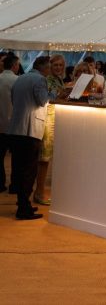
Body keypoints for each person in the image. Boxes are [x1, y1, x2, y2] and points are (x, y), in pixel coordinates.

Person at [8, 56, 51, 220]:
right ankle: (23, 209)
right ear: (43, 68)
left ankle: (23, 203)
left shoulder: (20, 78)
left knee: (19, 170)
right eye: (48, 68)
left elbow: (14, 100)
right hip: (30, 130)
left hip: (16, 129)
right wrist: (54, 93)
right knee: (28, 171)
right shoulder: (40, 79)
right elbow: (42, 100)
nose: (49, 71)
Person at [34, 54, 66, 206]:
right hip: (49, 119)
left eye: (61, 65)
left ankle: (41, 192)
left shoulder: (59, 79)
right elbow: (49, 99)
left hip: (55, 119)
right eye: (55, 65)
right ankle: (39, 192)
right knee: (44, 159)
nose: (58, 68)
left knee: (47, 158)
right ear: (50, 66)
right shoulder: (48, 79)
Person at [0, 53, 20, 193]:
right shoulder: (18, 81)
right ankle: (15, 186)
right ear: (14, 65)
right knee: (17, 159)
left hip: (0, 124)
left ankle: (0, 184)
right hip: (15, 125)